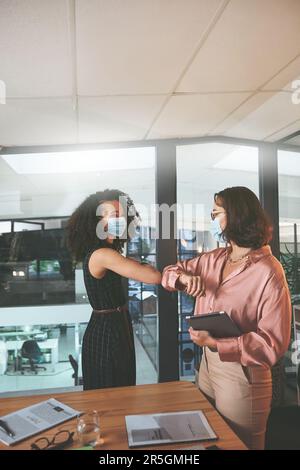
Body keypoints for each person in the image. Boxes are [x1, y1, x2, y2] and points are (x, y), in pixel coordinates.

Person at [161, 186, 291, 450]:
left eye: (216, 213)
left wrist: (218, 343)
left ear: (237, 215)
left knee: (239, 445)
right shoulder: (216, 258)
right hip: (207, 365)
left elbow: (273, 344)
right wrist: (183, 277)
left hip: (242, 373)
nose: (212, 221)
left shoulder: (269, 271)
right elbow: (168, 273)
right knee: (209, 441)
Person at [67, 189, 161, 390]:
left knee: (121, 388)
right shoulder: (103, 254)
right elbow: (153, 276)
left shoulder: (110, 252)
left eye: (121, 214)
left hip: (116, 324)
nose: (120, 219)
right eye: (112, 214)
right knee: (111, 392)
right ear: (97, 222)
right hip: (107, 330)